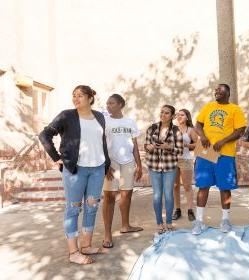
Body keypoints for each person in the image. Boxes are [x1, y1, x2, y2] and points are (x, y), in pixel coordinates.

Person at [39, 85, 111, 265]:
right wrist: (57, 158)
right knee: (73, 209)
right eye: (74, 96)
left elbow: (101, 141)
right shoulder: (67, 115)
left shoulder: (100, 117)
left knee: (92, 207)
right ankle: (74, 252)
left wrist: (106, 164)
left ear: (90, 98)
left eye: (80, 95)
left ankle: (86, 246)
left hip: (97, 169)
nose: (76, 98)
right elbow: (44, 135)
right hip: (75, 170)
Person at [192, 83, 246, 235]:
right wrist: (202, 136)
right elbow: (198, 124)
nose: (216, 92)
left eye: (220, 91)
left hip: (225, 153)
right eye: (215, 90)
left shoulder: (235, 109)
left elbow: (240, 130)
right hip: (206, 151)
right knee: (203, 186)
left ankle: (225, 220)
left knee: (225, 187)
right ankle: (199, 221)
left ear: (228, 93)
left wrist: (223, 141)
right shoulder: (209, 106)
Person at [102, 94, 143, 249]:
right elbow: (101, 144)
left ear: (120, 104)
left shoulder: (130, 122)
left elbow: (135, 145)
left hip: (128, 162)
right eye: (107, 103)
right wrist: (105, 165)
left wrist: (139, 165)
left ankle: (125, 226)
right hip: (111, 163)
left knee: (127, 194)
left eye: (111, 103)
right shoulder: (104, 121)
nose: (108, 106)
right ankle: (107, 234)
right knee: (109, 197)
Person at [144, 105, 183, 234]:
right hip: (154, 165)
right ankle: (159, 222)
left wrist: (168, 147)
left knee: (168, 195)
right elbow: (146, 145)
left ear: (172, 116)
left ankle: (169, 222)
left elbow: (180, 150)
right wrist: (150, 147)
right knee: (157, 195)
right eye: (162, 112)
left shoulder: (176, 130)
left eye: (166, 113)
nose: (163, 115)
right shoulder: (152, 128)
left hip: (170, 166)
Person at [172, 109, 198, 221]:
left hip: (185, 159)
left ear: (187, 117)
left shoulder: (190, 130)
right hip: (172, 160)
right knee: (175, 186)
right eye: (178, 115)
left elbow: (198, 144)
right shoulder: (172, 129)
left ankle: (190, 210)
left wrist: (187, 145)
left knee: (187, 186)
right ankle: (177, 210)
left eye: (182, 115)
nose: (179, 116)